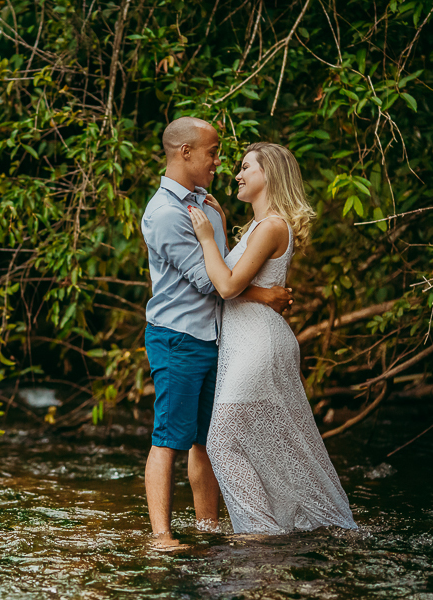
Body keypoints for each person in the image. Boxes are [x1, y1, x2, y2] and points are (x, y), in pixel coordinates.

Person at [189, 142, 357, 534]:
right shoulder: (258, 228)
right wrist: (223, 224)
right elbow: (235, 279)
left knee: (222, 443)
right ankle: (273, 532)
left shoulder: (273, 226)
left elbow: (228, 286)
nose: (237, 174)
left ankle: (260, 537)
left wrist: (207, 239)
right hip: (250, 341)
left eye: (246, 167)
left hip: (257, 345)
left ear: (270, 175)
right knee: (256, 444)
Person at [140, 118, 293, 549]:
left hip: (217, 338)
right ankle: (162, 537)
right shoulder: (166, 214)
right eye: (212, 152)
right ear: (185, 152)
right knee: (168, 439)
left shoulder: (207, 204)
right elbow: (213, 282)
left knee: (208, 441)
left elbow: (224, 264)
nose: (218, 161)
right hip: (178, 338)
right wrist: (263, 295)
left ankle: (207, 529)